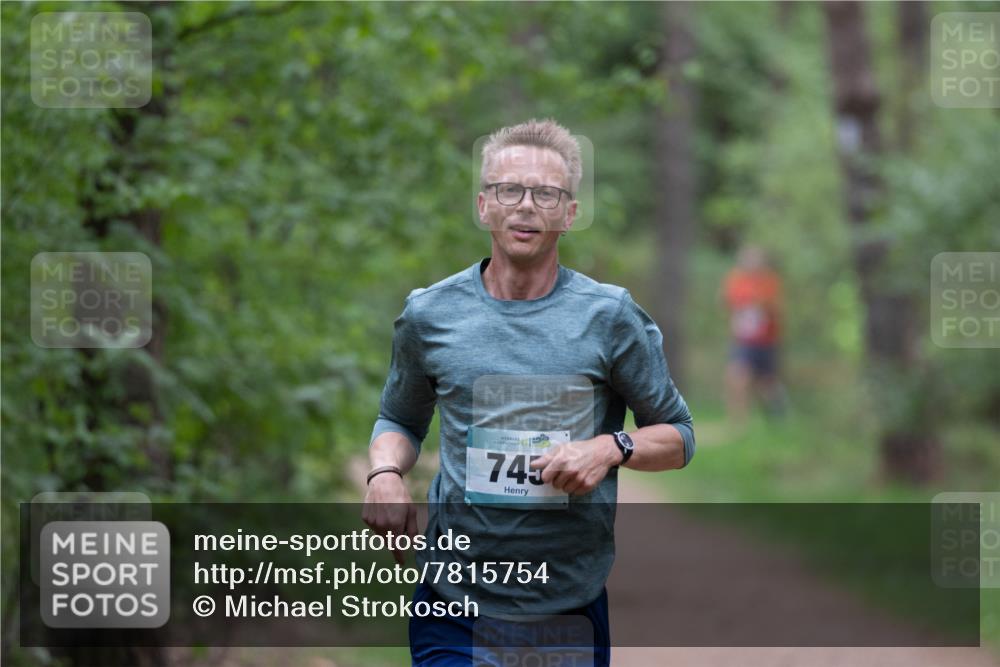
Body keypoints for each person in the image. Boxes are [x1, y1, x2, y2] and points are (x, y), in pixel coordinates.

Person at [362, 119, 695, 666]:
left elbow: (679, 436)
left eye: (546, 193)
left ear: (570, 213)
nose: (524, 206)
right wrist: (384, 474)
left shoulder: (609, 317)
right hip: (453, 602)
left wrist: (610, 448)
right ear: (483, 205)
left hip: (567, 602)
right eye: (508, 190)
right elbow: (398, 421)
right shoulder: (430, 315)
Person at [722, 245, 786, 423]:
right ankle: (737, 421)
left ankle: (778, 417)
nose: (750, 263)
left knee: (767, 383)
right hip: (743, 340)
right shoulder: (736, 280)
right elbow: (727, 303)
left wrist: (761, 305)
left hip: (766, 340)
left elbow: (776, 309)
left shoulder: (770, 282)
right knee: (736, 376)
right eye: (747, 259)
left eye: (754, 259)